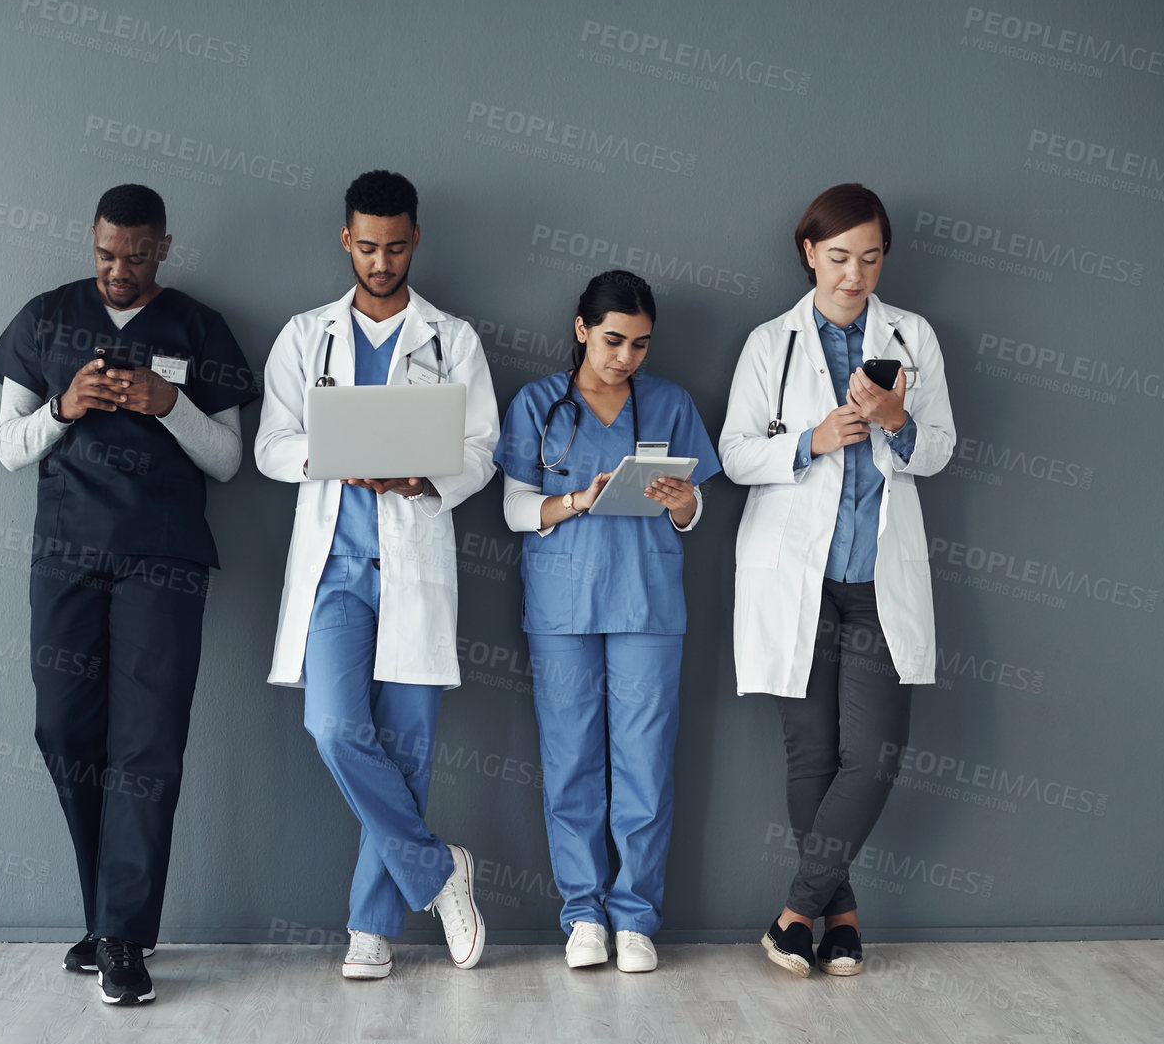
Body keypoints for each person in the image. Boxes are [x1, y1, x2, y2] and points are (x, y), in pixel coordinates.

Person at [0, 183, 258, 1005]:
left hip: (162, 564)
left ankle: (126, 940)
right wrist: (66, 406)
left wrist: (169, 406)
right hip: (66, 557)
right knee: (64, 731)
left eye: (136, 257)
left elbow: (227, 461)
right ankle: (106, 917)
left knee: (147, 749)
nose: (118, 271)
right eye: (106, 254)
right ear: (92, 241)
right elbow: (6, 449)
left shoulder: (199, 327)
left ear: (163, 249)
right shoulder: (45, 319)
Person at [255, 170, 498, 979]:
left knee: (405, 747)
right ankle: (438, 870)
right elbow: (271, 447)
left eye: (395, 247)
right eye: (367, 246)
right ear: (345, 240)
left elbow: (481, 452)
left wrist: (421, 479)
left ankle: (372, 928)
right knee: (332, 726)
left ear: (416, 240)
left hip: (413, 560)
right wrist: (339, 454)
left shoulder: (452, 340)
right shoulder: (305, 336)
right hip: (335, 569)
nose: (381, 262)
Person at [719, 183, 955, 979]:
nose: (855, 275)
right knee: (812, 755)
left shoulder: (912, 337)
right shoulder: (770, 343)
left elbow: (940, 450)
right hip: (799, 579)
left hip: (877, 581)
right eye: (840, 257)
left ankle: (794, 915)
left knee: (875, 754)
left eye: (871, 257)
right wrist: (812, 439)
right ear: (809, 253)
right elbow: (734, 454)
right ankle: (843, 919)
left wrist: (895, 418)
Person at [494, 271, 719, 974]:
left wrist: (683, 502)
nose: (625, 357)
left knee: (646, 766)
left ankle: (636, 918)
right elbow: (514, 510)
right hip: (563, 606)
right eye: (614, 339)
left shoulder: (671, 404)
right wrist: (576, 501)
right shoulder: (538, 405)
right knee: (571, 766)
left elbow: (692, 516)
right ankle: (584, 914)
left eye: (641, 345)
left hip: (647, 603)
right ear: (582, 328)